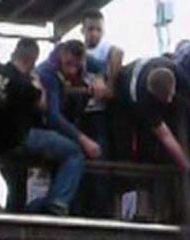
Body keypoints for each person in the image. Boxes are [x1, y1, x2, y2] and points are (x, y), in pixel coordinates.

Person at [0, 38, 85, 215]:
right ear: (33, 61)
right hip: (17, 140)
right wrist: (36, 81)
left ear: (14, 53)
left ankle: (19, 215)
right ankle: (57, 202)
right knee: (74, 152)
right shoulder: (27, 85)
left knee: (16, 188)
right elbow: (45, 107)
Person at [79, 9, 124, 217]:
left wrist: (108, 81)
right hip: (80, 114)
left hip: (100, 115)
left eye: (98, 29)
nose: (94, 34)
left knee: (101, 162)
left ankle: (101, 212)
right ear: (82, 30)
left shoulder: (109, 50)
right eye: (90, 29)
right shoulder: (76, 51)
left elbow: (117, 54)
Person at [114, 56, 190, 170]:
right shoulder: (142, 98)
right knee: (142, 136)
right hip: (124, 92)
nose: (169, 100)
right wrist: (186, 166)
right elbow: (164, 135)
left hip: (153, 68)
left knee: (181, 110)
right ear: (152, 93)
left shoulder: (176, 71)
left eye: (171, 95)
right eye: (164, 98)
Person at [36, 40, 103, 161]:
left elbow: (102, 66)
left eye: (77, 66)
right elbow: (53, 117)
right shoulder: (47, 73)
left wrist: (99, 79)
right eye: (68, 64)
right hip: (44, 124)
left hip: (73, 116)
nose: (72, 70)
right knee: (75, 153)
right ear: (62, 55)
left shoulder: (86, 60)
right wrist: (83, 139)